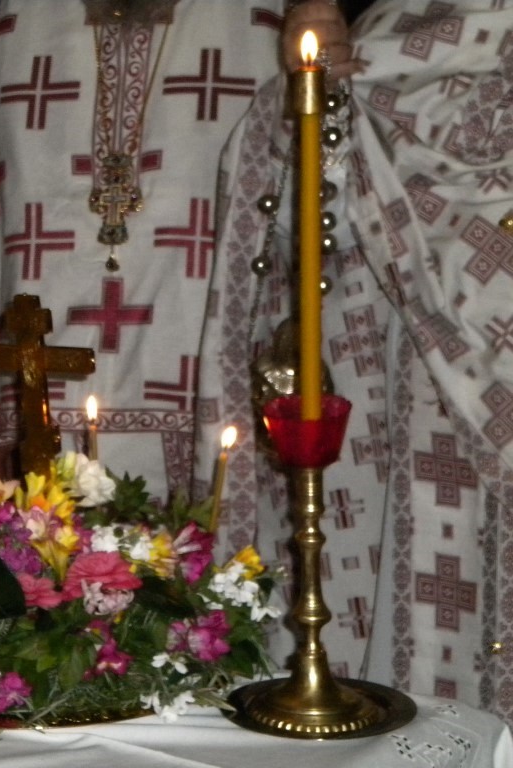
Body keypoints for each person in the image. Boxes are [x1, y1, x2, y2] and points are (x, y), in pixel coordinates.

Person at [194, 0, 513, 727]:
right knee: (426, 610)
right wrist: (312, 96)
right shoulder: (394, 31)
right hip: (420, 388)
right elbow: (305, 202)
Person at [0, 0, 299, 515]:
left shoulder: (254, 18)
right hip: (42, 357)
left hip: (193, 340)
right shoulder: (24, 18)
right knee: (44, 543)